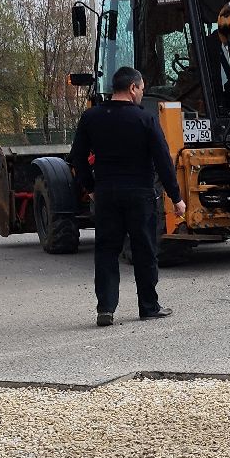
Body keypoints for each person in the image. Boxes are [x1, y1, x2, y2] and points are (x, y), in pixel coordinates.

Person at [68, 66, 185, 326]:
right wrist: (176, 198)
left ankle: (106, 309)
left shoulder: (91, 117)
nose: (142, 93)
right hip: (140, 194)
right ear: (133, 88)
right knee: (145, 250)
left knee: (106, 251)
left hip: (106, 194)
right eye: (141, 88)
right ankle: (148, 306)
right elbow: (163, 161)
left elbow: (78, 156)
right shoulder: (145, 119)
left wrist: (91, 187)